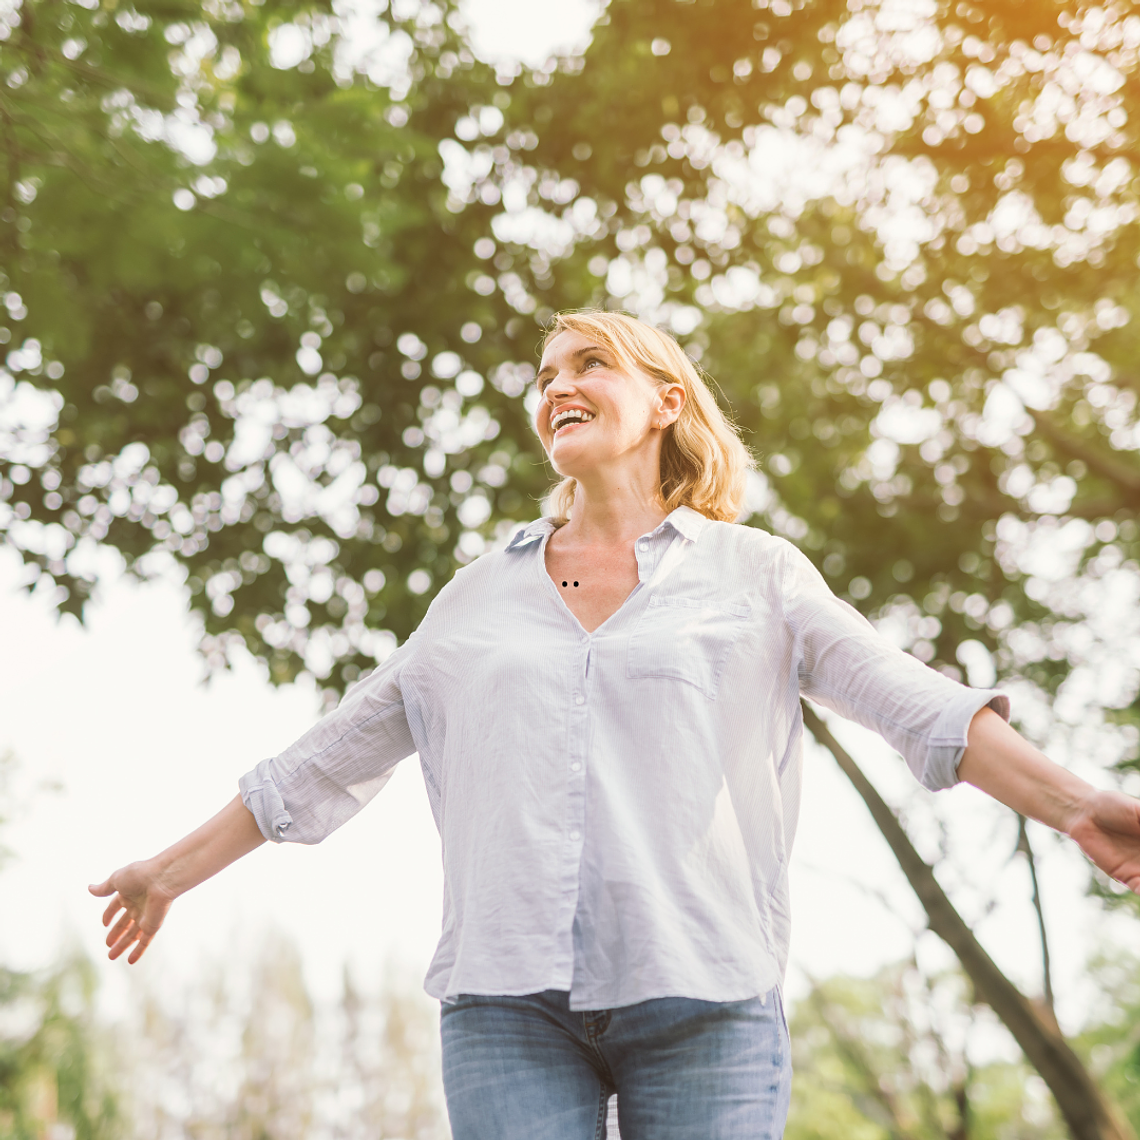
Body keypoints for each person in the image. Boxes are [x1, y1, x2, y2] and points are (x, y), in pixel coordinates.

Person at [91, 311, 1140, 1140]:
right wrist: (167, 871)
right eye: (544, 378)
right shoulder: (475, 598)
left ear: (665, 403)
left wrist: (1080, 804)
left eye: (588, 364)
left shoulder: (753, 573)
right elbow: (324, 760)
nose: (557, 387)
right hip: (507, 1007)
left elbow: (909, 698)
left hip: (705, 998)